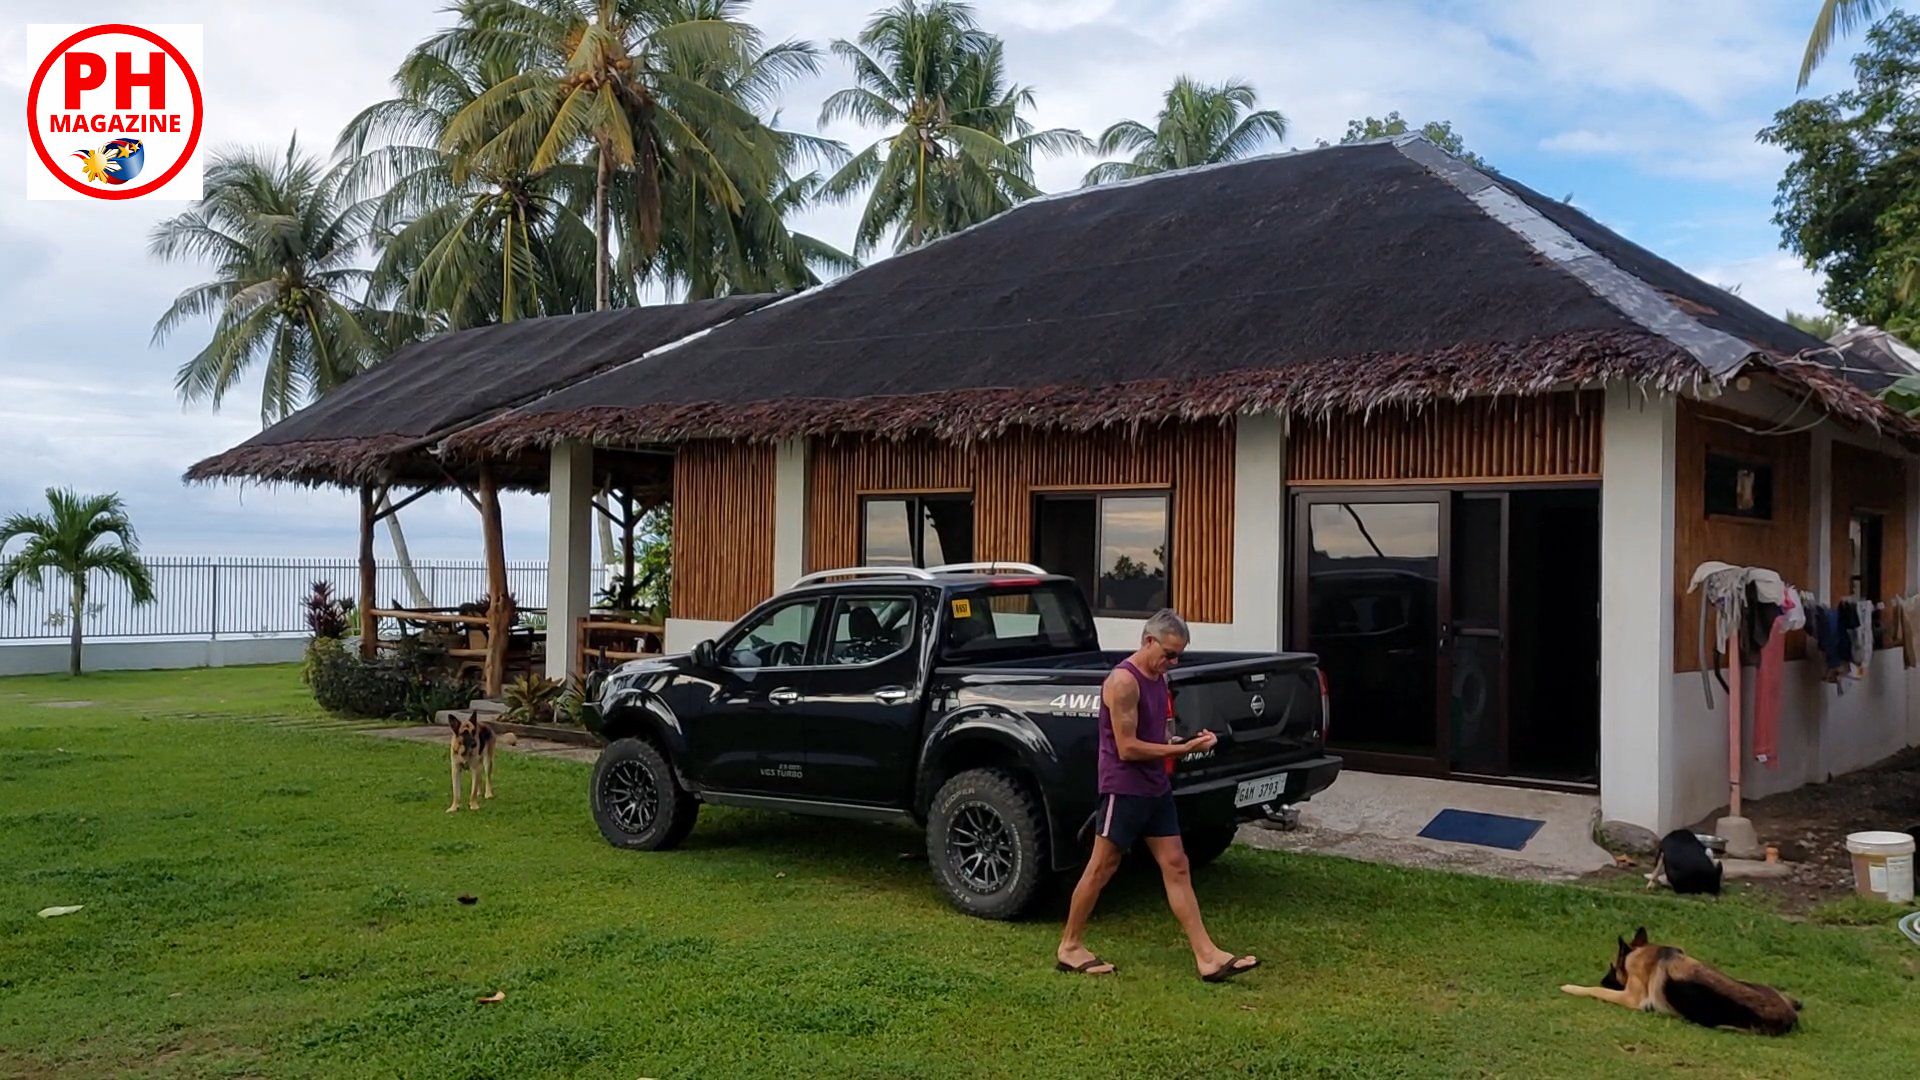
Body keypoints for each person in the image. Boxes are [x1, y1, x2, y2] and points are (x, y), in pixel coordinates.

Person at [1054, 608, 1259, 982]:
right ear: (1148, 641)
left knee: (1177, 864)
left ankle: (1207, 956)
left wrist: (1188, 741)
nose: (1172, 661)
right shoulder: (1123, 682)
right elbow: (1128, 748)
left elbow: (1157, 738)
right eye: (1168, 653)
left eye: (1178, 655)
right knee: (1102, 868)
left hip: (1155, 787)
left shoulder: (1159, 679)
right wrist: (1181, 752)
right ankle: (1069, 946)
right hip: (1125, 788)